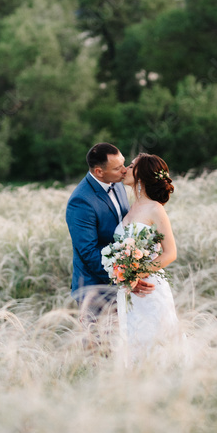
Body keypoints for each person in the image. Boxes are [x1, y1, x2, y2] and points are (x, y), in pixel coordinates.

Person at [65, 143, 155, 346]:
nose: (124, 170)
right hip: (95, 287)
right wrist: (125, 278)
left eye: (124, 164)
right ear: (99, 172)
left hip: (122, 283)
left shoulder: (119, 185)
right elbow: (88, 253)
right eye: (117, 168)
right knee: (99, 348)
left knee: (124, 344)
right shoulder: (81, 201)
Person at [115, 153, 181, 365]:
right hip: (128, 289)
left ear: (141, 175)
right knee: (133, 341)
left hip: (149, 287)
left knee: (155, 341)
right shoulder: (130, 208)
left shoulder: (155, 209)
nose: (125, 169)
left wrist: (135, 274)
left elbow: (170, 253)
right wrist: (125, 276)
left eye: (131, 165)